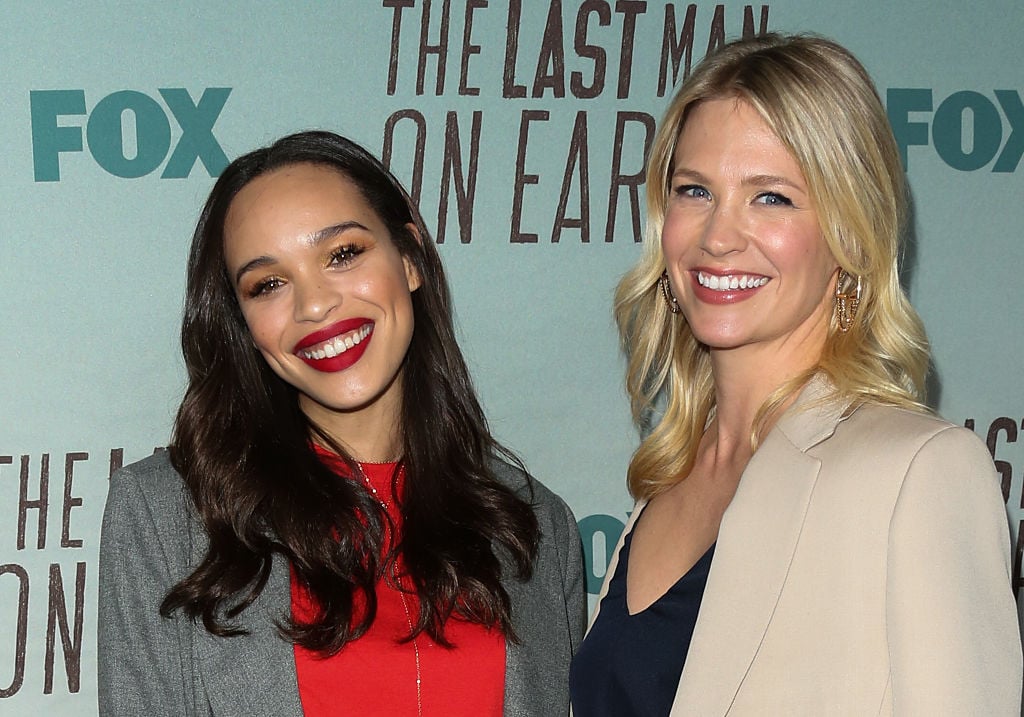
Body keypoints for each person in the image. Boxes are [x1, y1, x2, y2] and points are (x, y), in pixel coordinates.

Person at [569, 33, 1022, 715]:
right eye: (695, 190)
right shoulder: (662, 487)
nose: (719, 236)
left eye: (771, 197)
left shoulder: (919, 474)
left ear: (849, 231)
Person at [98, 131, 585, 717]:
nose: (313, 305)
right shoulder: (164, 516)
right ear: (242, 322)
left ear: (409, 258)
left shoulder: (535, 525)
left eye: (343, 254)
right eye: (268, 284)